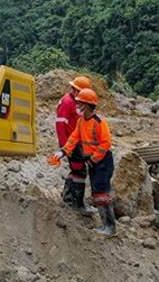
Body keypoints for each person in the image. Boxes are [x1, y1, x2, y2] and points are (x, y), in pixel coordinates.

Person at [48, 88, 116, 237]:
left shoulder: (99, 123)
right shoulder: (80, 122)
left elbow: (105, 144)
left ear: (87, 105)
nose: (77, 106)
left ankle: (110, 227)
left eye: (80, 103)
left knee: (101, 193)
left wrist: (93, 159)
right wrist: (62, 152)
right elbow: (73, 138)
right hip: (94, 161)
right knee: (97, 192)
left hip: (102, 161)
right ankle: (107, 225)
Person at [56, 75, 92, 212]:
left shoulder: (75, 102)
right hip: (71, 143)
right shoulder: (67, 102)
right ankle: (77, 204)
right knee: (79, 170)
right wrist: (66, 147)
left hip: (77, 142)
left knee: (77, 169)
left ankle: (68, 198)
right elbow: (60, 125)